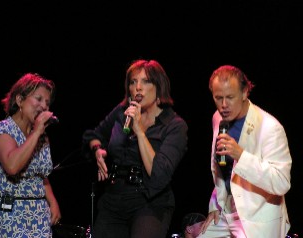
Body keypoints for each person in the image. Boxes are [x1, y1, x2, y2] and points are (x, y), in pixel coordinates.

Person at [82, 59, 188, 238]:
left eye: (145, 81)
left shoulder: (174, 125)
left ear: (158, 87)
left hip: (148, 201)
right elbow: (92, 135)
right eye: (133, 82)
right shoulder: (121, 112)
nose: (138, 87)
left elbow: (158, 176)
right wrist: (98, 150)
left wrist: (139, 131)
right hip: (114, 197)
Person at [198, 65, 292, 238]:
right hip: (228, 211)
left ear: (245, 92)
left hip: (257, 217)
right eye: (218, 98)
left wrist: (241, 156)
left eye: (230, 97)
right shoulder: (217, 118)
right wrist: (215, 205)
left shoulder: (270, 127)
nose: (224, 105)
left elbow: (282, 182)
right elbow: (222, 172)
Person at [0, 72, 61, 238]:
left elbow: (40, 174)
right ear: (20, 100)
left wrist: (52, 201)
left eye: (47, 103)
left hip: (39, 216)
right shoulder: (4, 129)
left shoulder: (41, 135)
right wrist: (36, 132)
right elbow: (12, 166)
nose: (43, 106)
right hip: (12, 214)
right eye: (38, 99)